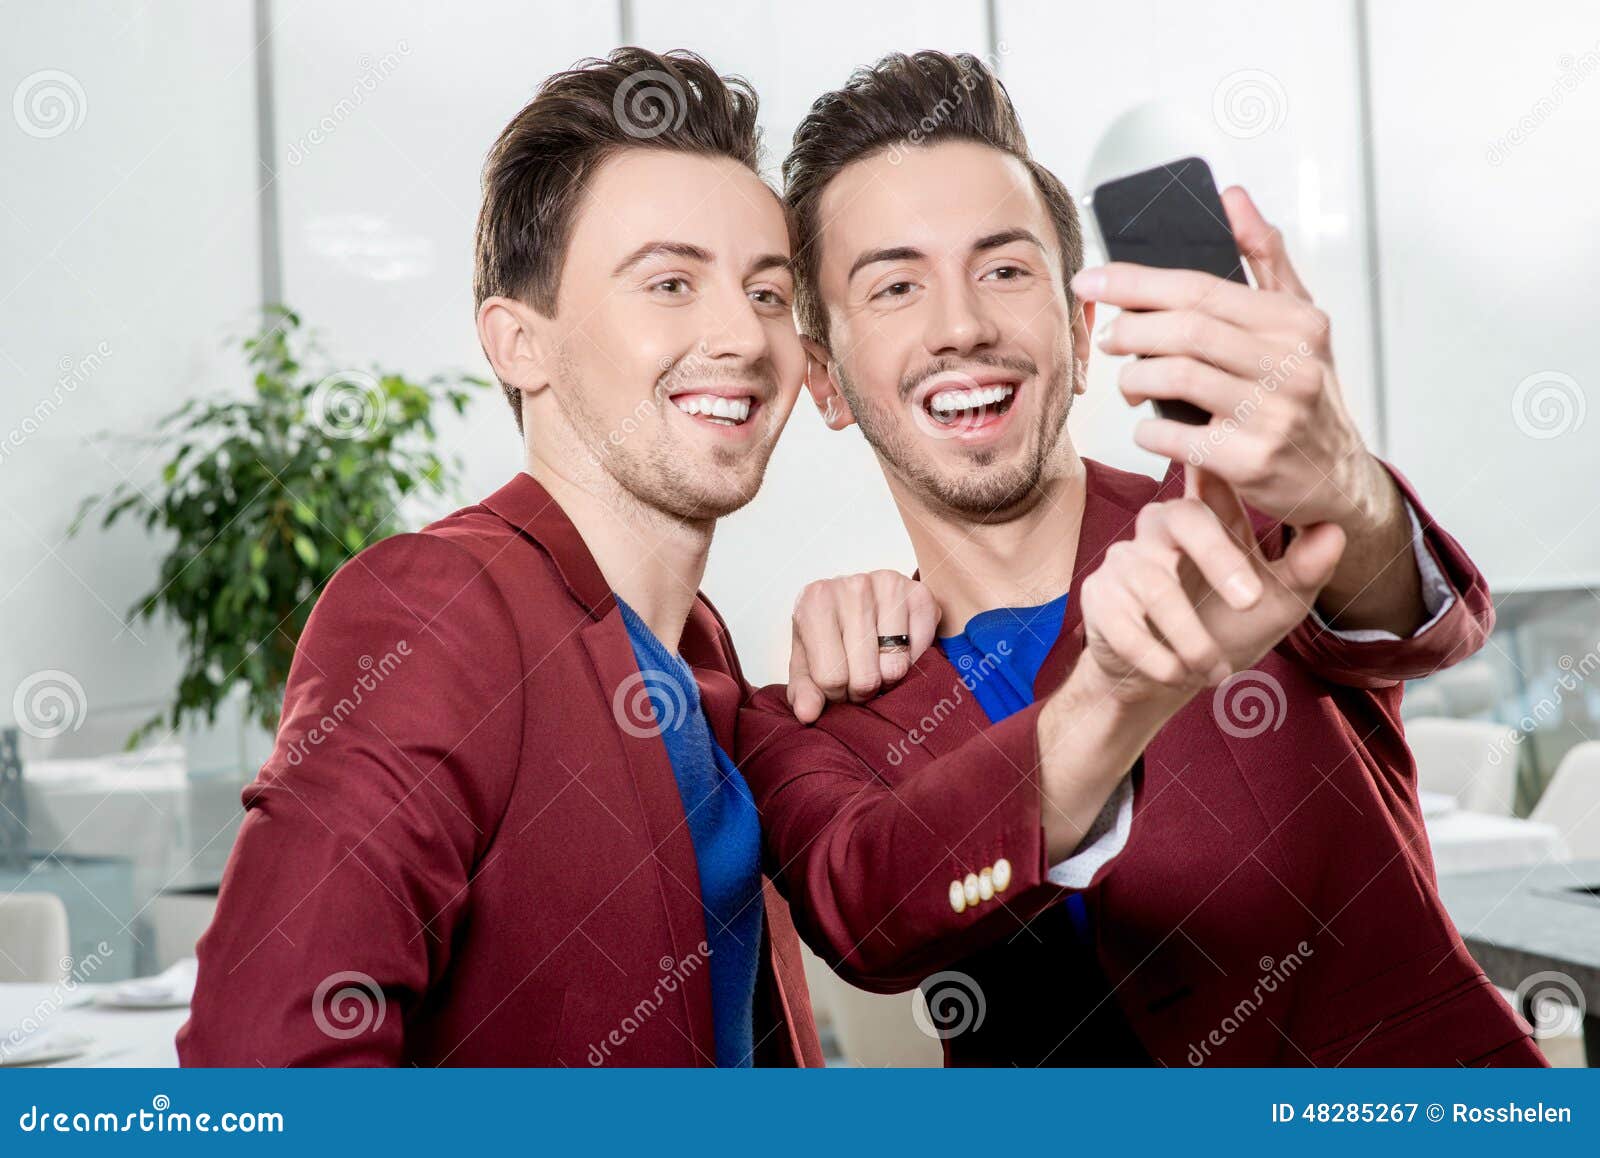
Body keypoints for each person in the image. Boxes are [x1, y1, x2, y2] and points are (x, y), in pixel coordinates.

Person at [739, 51, 1544, 1067]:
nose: (962, 325)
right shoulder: (818, 708)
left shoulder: (1241, 521)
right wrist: (1116, 694)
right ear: (824, 379)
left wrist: (1345, 482)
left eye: (1003, 269)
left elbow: (1404, 611)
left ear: (1080, 330)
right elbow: (872, 913)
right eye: (896, 286)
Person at [179, 48, 908, 1068]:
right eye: (669, 282)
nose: (741, 334)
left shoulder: (695, 645)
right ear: (519, 343)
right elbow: (259, 1062)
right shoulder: (440, 610)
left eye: (769, 292)